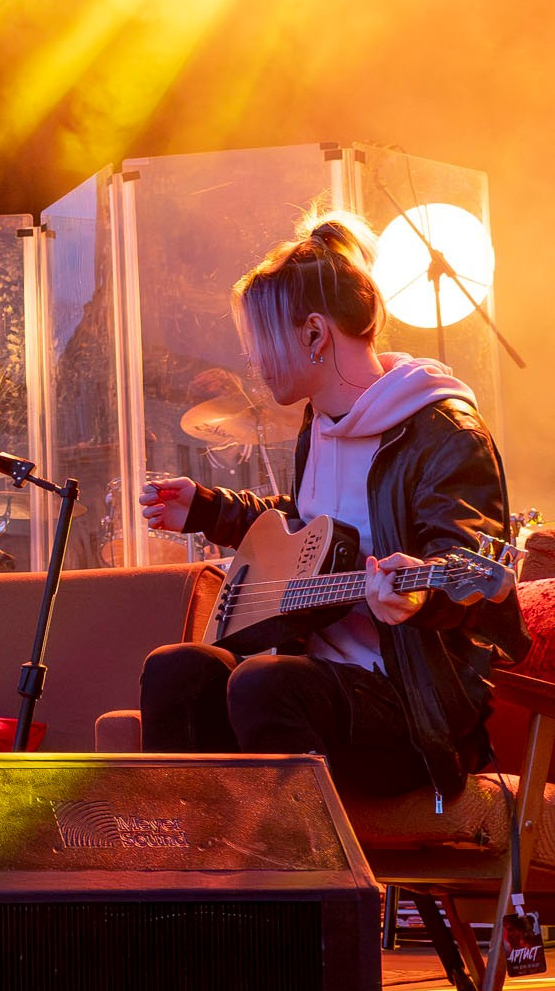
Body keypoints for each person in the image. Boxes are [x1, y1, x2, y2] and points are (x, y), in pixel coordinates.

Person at [138, 213, 527, 802]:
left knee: (266, 685)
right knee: (177, 669)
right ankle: (188, 878)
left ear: (315, 335)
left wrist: (417, 595)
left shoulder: (446, 433)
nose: (251, 361)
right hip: (316, 686)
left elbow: (466, 566)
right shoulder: (318, 422)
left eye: (258, 343)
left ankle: (306, 889)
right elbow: (307, 529)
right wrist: (207, 509)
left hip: (412, 707)